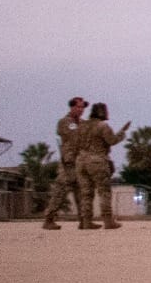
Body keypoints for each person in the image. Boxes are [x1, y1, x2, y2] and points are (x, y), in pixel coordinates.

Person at [74, 103, 129, 230]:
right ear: (101, 112)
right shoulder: (102, 126)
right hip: (97, 161)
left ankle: (86, 221)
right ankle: (108, 221)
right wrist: (122, 133)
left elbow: (75, 142)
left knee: (86, 193)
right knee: (104, 191)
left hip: (81, 161)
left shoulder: (82, 126)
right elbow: (112, 140)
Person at [42, 97, 87, 230]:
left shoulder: (83, 123)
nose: (81, 109)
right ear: (72, 107)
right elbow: (74, 136)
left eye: (83, 107)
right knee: (60, 191)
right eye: (79, 107)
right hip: (68, 162)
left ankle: (84, 220)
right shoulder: (64, 122)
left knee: (82, 192)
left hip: (80, 162)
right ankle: (49, 219)